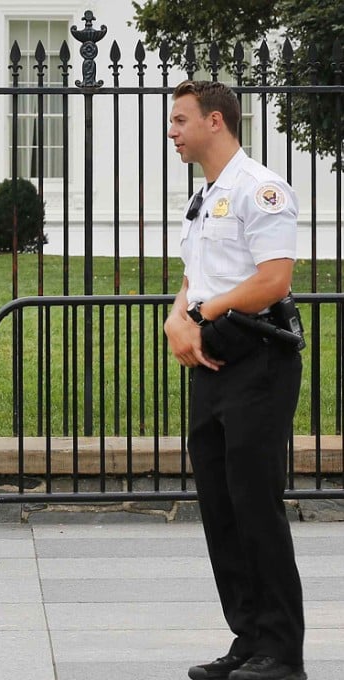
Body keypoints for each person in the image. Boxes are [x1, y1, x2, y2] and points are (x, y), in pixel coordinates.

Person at [164, 80, 306, 680]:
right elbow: (195, 276)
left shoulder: (262, 189)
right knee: (221, 507)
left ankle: (281, 651)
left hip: (261, 360)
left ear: (215, 121)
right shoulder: (205, 196)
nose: (171, 131)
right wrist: (177, 316)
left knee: (255, 504)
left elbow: (274, 279)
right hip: (213, 361)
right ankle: (247, 640)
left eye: (180, 120)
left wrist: (201, 314)